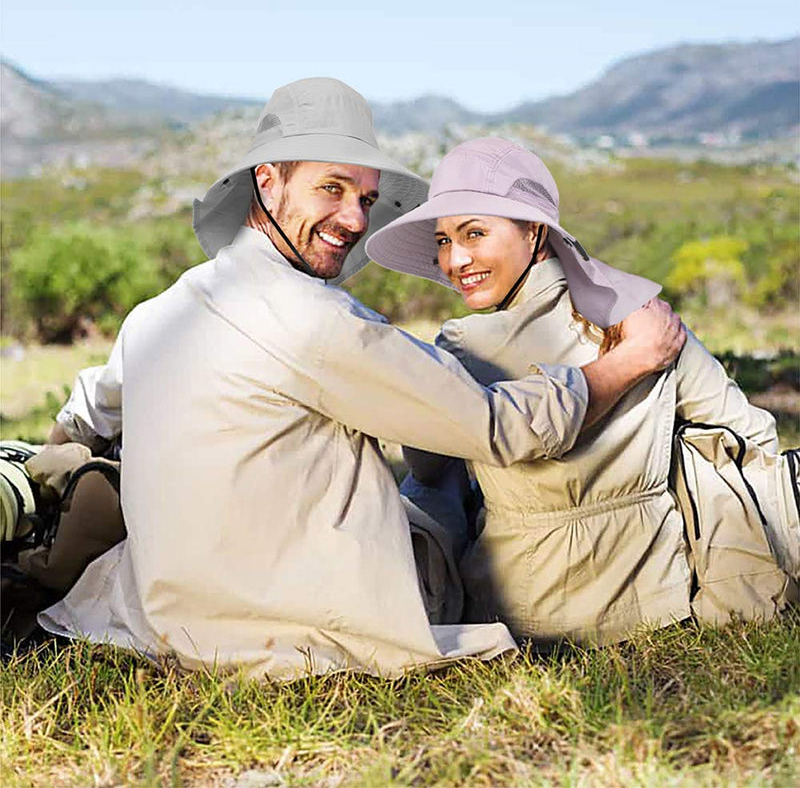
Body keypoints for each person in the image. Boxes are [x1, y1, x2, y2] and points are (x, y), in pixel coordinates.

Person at [39, 83, 684, 680]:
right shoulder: (316, 322)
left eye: (366, 200)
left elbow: (84, 413)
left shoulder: (157, 315)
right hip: (294, 619)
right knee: (448, 491)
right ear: (268, 181)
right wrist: (627, 361)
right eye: (332, 188)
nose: (353, 219)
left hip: (158, 610)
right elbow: (497, 427)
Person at [366, 137, 797, 646]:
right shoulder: (647, 322)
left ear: (533, 233)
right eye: (443, 241)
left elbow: (426, 466)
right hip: (659, 597)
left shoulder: (462, 345)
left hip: (521, 610)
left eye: (474, 233)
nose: (455, 259)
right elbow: (748, 432)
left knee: (432, 485)